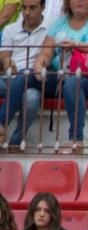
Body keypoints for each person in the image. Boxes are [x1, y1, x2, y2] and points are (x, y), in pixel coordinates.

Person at [0, 0, 88, 153]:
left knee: (74, 81)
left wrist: (76, 45)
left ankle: (76, 140)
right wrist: (39, 65)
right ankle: (1, 125)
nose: (79, 2)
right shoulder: (59, 23)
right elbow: (46, 53)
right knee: (24, 76)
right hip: (63, 77)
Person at [0, 0, 47, 150]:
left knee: (32, 98)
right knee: (18, 80)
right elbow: (4, 55)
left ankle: (15, 141)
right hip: (9, 78)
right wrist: (7, 61)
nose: (27, 13)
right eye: (24, 8)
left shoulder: (50, 30)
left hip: (33, 79)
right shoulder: (10, 29)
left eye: (32, 8)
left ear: (43, 7)